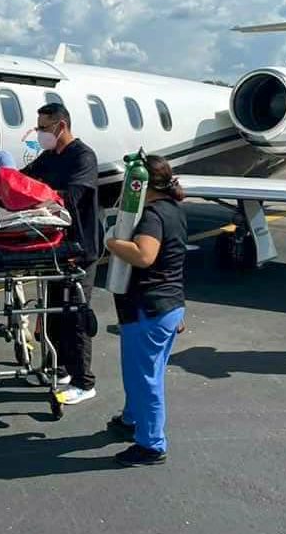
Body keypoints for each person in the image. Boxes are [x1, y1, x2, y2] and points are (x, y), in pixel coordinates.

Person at [104, 156, 187, 466]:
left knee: (145, 379)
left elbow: (144, 255)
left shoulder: (152, 214)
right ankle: (131, 418)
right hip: (167, 305)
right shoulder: (174, 209)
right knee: (142, 373)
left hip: (148, 309)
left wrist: (111, 241)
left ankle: (151, 444)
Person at [22, 103, 101, 405]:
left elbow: (73, 196)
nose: (40, 133)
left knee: (76, 315)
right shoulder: (49, 156)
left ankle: (84, 381)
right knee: (53, 310)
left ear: (61, 126)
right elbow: (24, 178)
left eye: (43, 128)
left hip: (80, 247)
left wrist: (36, 198)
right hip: (55, 247)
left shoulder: (83, 157)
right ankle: (59, 368)